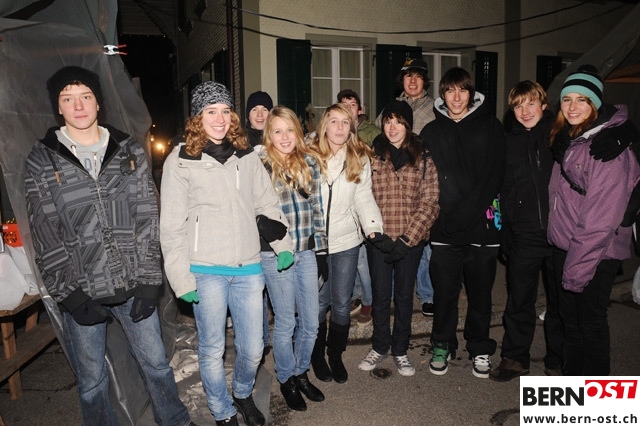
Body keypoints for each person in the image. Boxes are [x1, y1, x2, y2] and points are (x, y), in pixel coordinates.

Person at [23, 66, 195, 426]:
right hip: (82, 288)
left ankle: (175, 421)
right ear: (58, 106)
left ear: (98, 102)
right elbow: (44, 233)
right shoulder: (42, 160)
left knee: (156, 365)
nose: (78, 106)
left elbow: (147, 217)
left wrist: (149, 282)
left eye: (85, 96)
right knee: (92, 382)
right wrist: (70, 296)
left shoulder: (127, 150)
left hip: (133, 283)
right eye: (68, 98)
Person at [160, 81, 294, 426]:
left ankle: (242, 392)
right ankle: (222, 411)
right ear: (198, 117)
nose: (219, 119)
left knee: (253, 348)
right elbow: (171, 226)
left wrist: (282, 245)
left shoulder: (245, 155)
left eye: (224, 111)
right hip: (205, 270)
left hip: (248, 266)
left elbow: (266, 203)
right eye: (211, 111)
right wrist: (180, 278)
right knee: (212, 349)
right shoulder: (180, 160)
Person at [547, 65, 640, 375]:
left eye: (582, 100)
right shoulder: (571, 137)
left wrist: (576, 270)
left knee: (590, 324)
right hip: (567, 244)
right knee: (571, 324)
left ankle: (596, 396)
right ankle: (575, 387)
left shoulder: (607, 150)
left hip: (595, 252)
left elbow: (600, 221)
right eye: (567, 99)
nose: (573, 107)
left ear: (596, 104)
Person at [420, 67, 506, 378]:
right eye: (450, 91)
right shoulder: (431, 131)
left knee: (481, 294)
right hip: (444, 228)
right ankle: (442, 343)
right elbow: (425, 178)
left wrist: (467, 212)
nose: (456, 97)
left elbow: (495, 174)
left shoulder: (491, 126)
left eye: (462, 90)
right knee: (445, 293)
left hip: (483, 226)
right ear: (442, 94)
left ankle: (480, 347)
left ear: (471, 93)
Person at [358, 100, 439, 376]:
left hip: (409, 242)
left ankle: (401, 349)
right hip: (379, 240)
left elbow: (430, 202)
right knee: (380, 296)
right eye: (388, 121)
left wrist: (408, 239)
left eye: (399, 122)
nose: (393, 127)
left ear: (408, 125)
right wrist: (374, 233)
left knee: (404, 297)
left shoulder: (424, 158)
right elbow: (362, 196)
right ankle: (379, 346)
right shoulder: (372, 155)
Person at [254, 106, 327, 411]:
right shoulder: (260, 166)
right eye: (277, 131)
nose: (284, 137)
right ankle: (286, 378)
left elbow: (318, 208)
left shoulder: (310, 162)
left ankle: (300, 372)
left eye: (289, 130)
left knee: (311, 322)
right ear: (268, 135)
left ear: (298, 132)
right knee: (286, 322)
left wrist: (321, 251)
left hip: (307, 251)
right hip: (275, 255)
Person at [489, 81, 562, 381]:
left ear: (543, 105)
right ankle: (515, 358)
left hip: (561, 233)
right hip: (525, 234)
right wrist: (506, 230)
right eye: (518, 106)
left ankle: (558, 359)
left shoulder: (560, 133)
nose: (525, 111)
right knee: (519, 300)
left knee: (561, 301)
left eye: (531, 103)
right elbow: (505, 188)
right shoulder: (510, 142)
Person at [309, 103, 383, 384]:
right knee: (319, 303)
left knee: (341, 303)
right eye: (334, 121)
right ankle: (317, 355)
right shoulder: (309, 155)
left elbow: (363, 197)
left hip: (347, 241)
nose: (340, 127)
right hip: (315, 243)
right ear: (324, 126)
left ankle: (335, 354)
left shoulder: (358, 157)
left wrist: (373, 227)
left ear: (351, 127)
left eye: (345, 122)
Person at [376, 57, 437, 317]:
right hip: (394, 181)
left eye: (417, 76)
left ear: (425, 80)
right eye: (408, 76)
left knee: (422, 247)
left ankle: (426, 295)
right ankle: (390, 295)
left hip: (422, 176)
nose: (412, 81)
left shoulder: (435, 108)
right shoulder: (390, 109)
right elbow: (376, 139)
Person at [337, 89, 380, 326]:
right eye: (343, 105)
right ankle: (355, 296)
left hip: (361, 208)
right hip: (342, 212)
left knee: (362, 262)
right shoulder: (333, 134)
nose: (347, 109)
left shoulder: (370, 136)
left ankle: (369, 301)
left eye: (352, 105)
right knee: (350, 261)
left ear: (359, 109)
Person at [244, 90, 275, 358]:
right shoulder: (239, 142)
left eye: (264, 109)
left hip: (274, 219)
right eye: (255, 109)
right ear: (248, 114)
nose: (260, 114)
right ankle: (262, 339)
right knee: (256, 287)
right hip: (248, 221)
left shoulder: (279, 138)